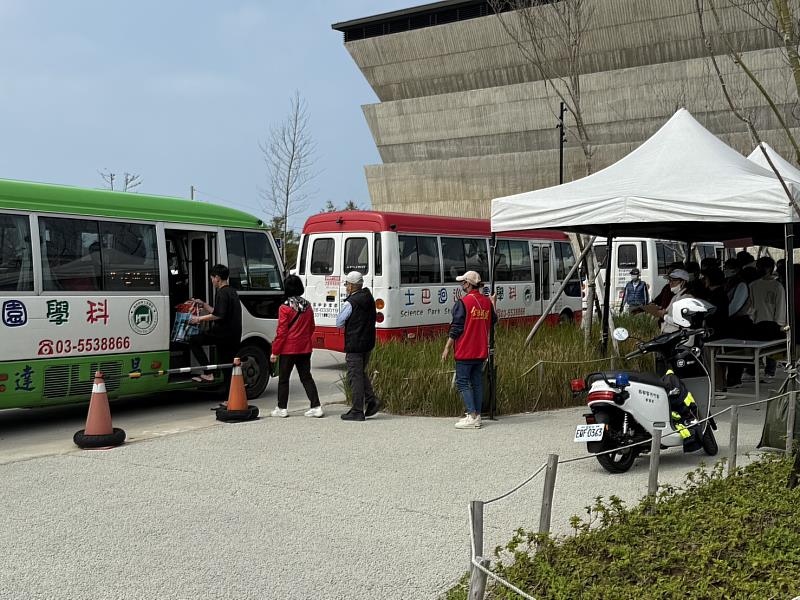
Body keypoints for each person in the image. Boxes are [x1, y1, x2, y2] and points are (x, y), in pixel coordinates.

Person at [441, 270, 497, 430]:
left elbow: (456, 328)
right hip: (480, 350)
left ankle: (472, 415)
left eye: (463, 282)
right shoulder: (486, 302)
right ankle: (477, 415)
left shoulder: (463, 303)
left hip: (465, 350)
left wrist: (446, 348)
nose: (461, 285)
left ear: (468, 284)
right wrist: (493, 303)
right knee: (477, 382)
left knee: (463, 382)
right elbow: (494, 320)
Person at [269, 275, 323, 418]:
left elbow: (281, 332)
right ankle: (316, 406)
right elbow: (312, 327)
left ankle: (282, 408)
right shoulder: (308, 305)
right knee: (306, 377)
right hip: (305, 348)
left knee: (284, 379)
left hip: (288, 349)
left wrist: (275, 351)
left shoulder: (284, 307)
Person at [336, 271, 381, 422]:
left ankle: (357, 410)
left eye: (347, 284)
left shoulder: (351, 302)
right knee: (360, 373)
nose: (346, 287)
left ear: (351, 285)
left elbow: (339, 322)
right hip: (368, 343)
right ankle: (371, 400)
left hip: (354, 343)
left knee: (355, 376)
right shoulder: (369, 298)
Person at [188, 264, 242, 387]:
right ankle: (229, 398)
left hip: (222, 334)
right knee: (228, 366)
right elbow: (218, 311)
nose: (211, 281)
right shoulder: (232, 291)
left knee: (193, 340)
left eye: (212, 278)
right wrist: (204, 305)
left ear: (217, 278)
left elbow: (219, 315)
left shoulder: (222, 293)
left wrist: (198, 319)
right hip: (233, 335)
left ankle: (209, 373)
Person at [748, 256, 786, 379]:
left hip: (768, 320)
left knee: (770, 349)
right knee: (765, 348)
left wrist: (779, 322)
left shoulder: (776, 286)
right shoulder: (754, 285)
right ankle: (763, 371)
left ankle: (768, 371)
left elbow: (780, 305)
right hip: (762, 320)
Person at [643, 269, 691, 333]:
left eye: (674, 281)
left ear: (683, 282)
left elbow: (684, 322)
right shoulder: (676, 296)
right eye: (669, 280)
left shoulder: (686, 298)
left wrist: (664, 316)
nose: (670, 283)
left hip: (676, 335)